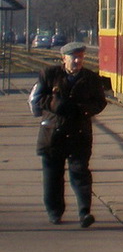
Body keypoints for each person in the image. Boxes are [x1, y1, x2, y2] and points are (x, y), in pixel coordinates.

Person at [30, 43, 108, 227]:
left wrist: (83, 110)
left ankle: (84, 213)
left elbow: (100, 102)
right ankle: (55, 212)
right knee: (53, 177)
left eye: (80, 57)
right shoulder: (49, 75)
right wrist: (55, 105)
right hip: (52, 134)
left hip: (79, 133)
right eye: (73, 57)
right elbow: (36, 98)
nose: (77, 60)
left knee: (80, 173)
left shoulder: (91, 79)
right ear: (63, 58)